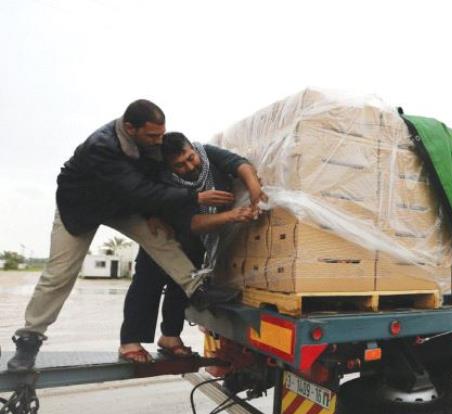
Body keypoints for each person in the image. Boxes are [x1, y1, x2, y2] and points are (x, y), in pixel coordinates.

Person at [6, 101, 239, 371]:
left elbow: (151, 182)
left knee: (162, 241)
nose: (158, 141)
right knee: (59, 273)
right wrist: (193, 196)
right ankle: (29, 339)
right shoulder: (101, 146)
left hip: (123, 204)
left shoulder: (152, 143)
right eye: (152, 135)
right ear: (130, 128)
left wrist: (153, 214)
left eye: (160, 134)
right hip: (81, 207)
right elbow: (137, 189)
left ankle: (198, 291)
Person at [118, 132, 265, 362]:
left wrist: (256, 192)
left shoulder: (207, 153)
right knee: (147, 286)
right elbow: (191, 224)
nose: (189, 166)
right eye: (180, 165)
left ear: (193, 149)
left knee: (182, 288)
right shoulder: (165, 180)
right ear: (168, 166)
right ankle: (130, 342)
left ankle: (170, 337)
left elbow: (240, 164)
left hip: (196, 242)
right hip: (164, 237)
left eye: (190, 157)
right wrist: (231, 215)